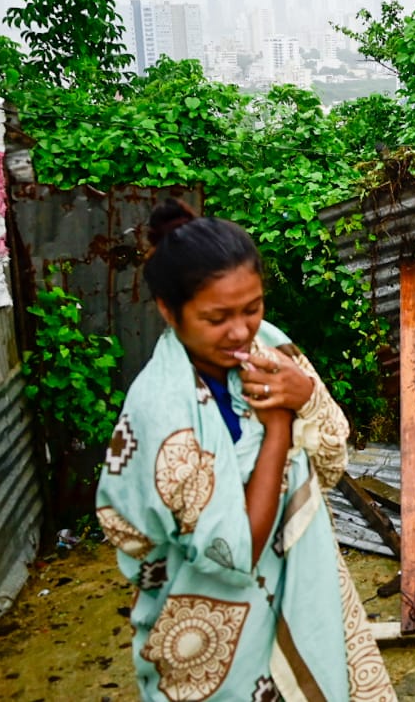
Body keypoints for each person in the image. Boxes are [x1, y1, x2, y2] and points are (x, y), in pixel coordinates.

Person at [95, 199, 397, 702]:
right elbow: (235, 554)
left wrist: (302, 397)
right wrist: (279, 427)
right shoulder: (163, 412)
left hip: (305, 587)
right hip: (215, 630)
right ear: (169, 310)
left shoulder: (268, 348)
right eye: (217, 318)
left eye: (251, 308)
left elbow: (329, 455)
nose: (240, 332)